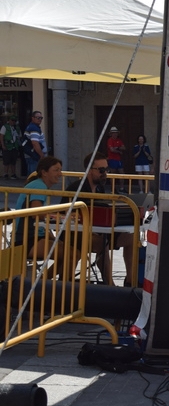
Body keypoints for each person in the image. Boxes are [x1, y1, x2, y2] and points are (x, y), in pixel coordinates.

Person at [64, 153, 135, 286]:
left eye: (107, 169)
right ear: (89, 170)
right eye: (101, 170)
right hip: (75, 233)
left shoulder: (100, 188)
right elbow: (65, 214)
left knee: (132, 238)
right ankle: (110, 285)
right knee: (102, 243)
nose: (105, 173)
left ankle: (130, 282)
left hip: (99, 231)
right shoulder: (77, 188)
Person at [14, 157, 72, 277]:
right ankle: (53, 284)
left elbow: (41, 218)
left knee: (72, 252)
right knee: (72, 254)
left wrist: (54, 238)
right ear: (44, 172)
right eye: (56, 170)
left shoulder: (39, 185)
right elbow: (38, 213)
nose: (60, 174)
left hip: (32, 237)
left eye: (60, 170)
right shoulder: (39, 186)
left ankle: (44, 282)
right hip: (26, 240)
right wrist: (62, 216)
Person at [24, 111, 47, 176]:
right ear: (33, 118)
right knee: (33, 175)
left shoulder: (33, 127)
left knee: (32, 174)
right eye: (38, 118)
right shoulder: (34, 128)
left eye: (41, 118)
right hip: (34, 156)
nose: (40, 119)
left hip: (32, 155)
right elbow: (35, 143)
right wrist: (41, 155)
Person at [1, 115, 20, 179]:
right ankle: (5, 173)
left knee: (13, 161)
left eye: (14, 121)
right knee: (6, 160)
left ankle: (13, 174)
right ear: (9, 120)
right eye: (12, 120)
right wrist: (3, 145)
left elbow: (19, 136)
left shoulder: (17, 128)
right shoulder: (5, 127)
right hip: (7, 146)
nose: (13, 122)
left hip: (15, 146)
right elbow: (1, 136)